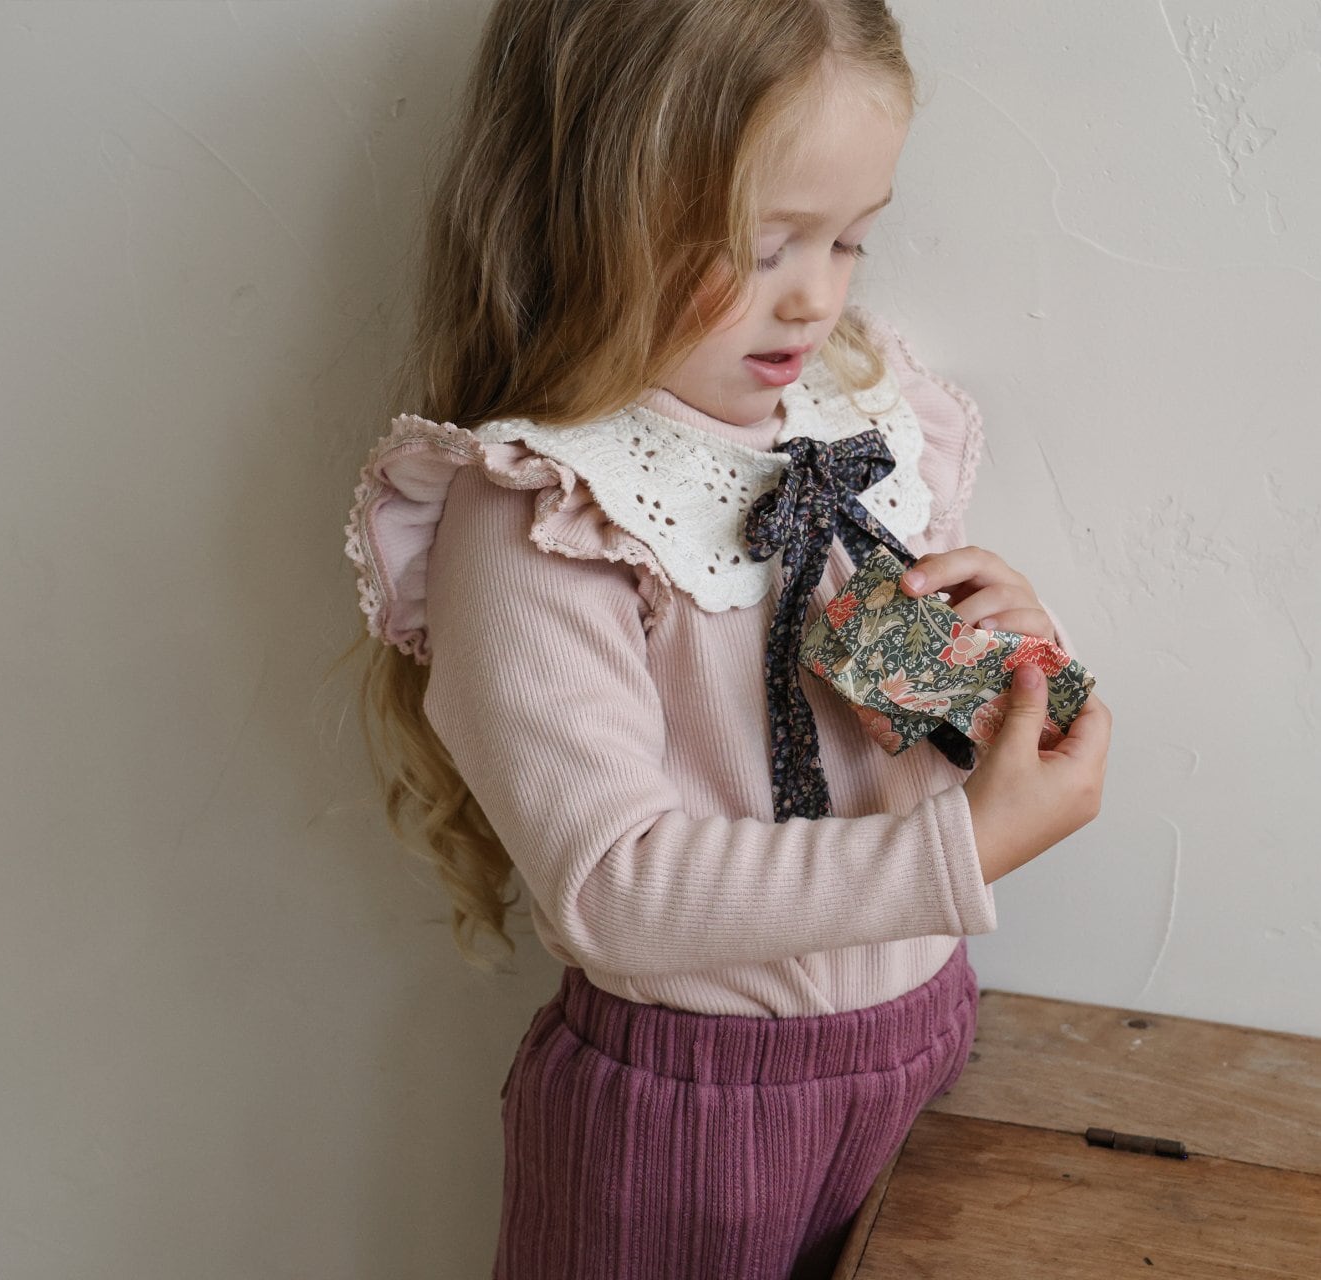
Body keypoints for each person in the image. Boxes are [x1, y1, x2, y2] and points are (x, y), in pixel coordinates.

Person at [341, 1, 1112, 1275]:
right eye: (760, 246)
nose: (814, 295)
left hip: (929, 1042)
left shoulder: (861, 414)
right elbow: (611, 885)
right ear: (588, 215)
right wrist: (958, 854)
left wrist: (1015, 662)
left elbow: (916, 722)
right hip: (689, 1115)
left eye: (851, 238)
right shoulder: (547, 508)